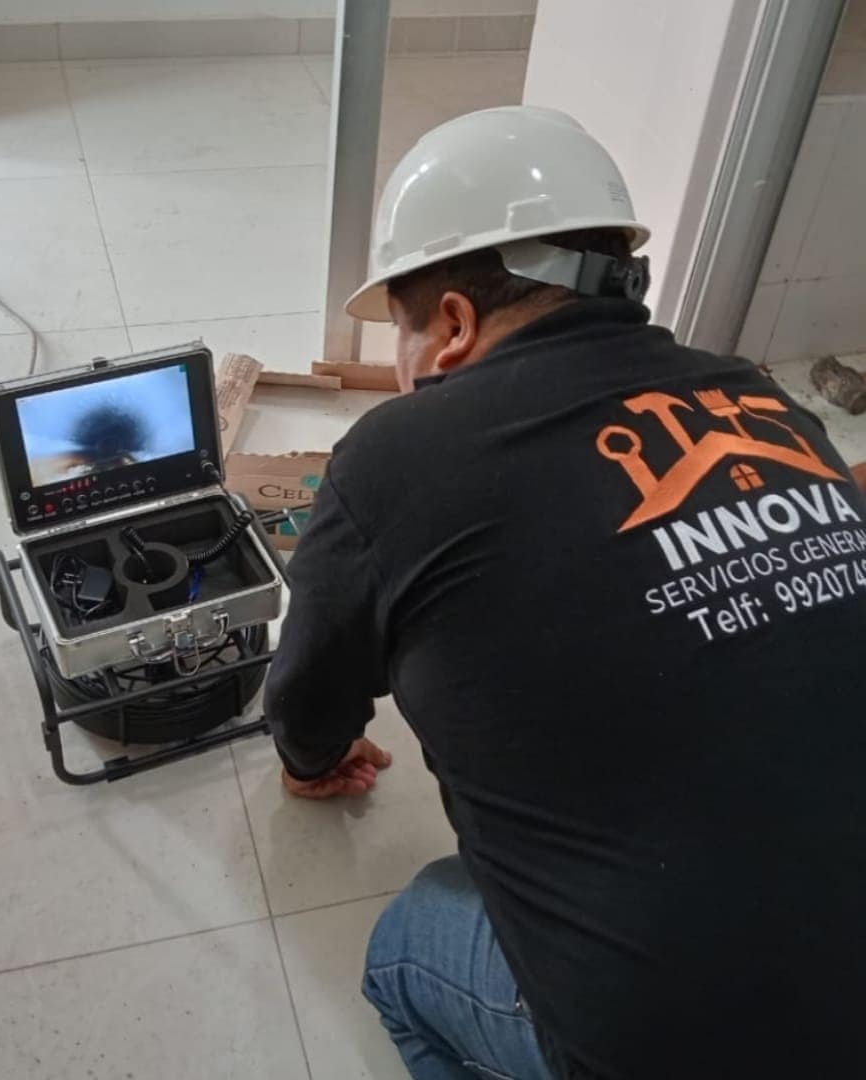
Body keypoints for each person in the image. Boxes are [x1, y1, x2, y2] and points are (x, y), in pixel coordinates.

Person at [264, 106, 866, 1080]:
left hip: (678, 1043)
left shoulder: (396, 456)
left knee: (407, 943)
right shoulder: (766, 404)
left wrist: (311, 759)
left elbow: (307, 690)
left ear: (452, 323)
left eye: (401, 333)